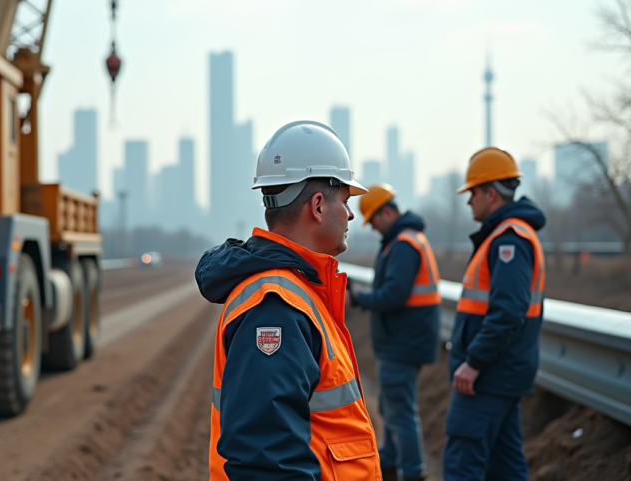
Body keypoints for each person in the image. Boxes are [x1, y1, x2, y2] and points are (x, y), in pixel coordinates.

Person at [195, 120, 381, 481]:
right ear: (317, 206)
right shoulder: (275, 305)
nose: (351, 214)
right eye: (344, 201)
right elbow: (267, 462)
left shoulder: (298, 290)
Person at [442, 147, 546, 481]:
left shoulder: (509, 241)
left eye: (472, 192)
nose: (469, 200)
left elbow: (508, 311)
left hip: (486, 377)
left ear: (490, 193)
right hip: (499, 374)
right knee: (505, 467)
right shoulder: (508, 236)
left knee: (462, 466)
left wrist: (474, 362)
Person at [347, 183, 441, 481]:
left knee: (400, 411)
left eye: (374, 221)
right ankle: (389, 460)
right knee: (392, 406)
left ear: (387, 212)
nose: (374, 228)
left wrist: (360, 298)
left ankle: (413, 472)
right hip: (405, 341)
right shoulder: (405, 240)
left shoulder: (403, 245)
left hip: (403, 343)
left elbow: (393, 295)